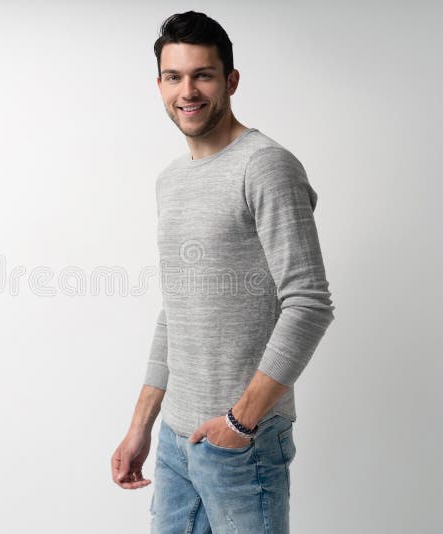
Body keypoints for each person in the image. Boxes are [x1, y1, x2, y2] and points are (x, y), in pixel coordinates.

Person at [111, 10, 335, 533]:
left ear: (230, 80)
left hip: (242, 444)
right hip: (173, 443)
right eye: (174, 76)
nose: (187, 91)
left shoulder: (266, 166)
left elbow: (309, 303)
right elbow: (178, 309)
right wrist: (141, 425)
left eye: (203, 75)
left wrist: (241, 421)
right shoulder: (171, 180)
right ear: (160, 84)